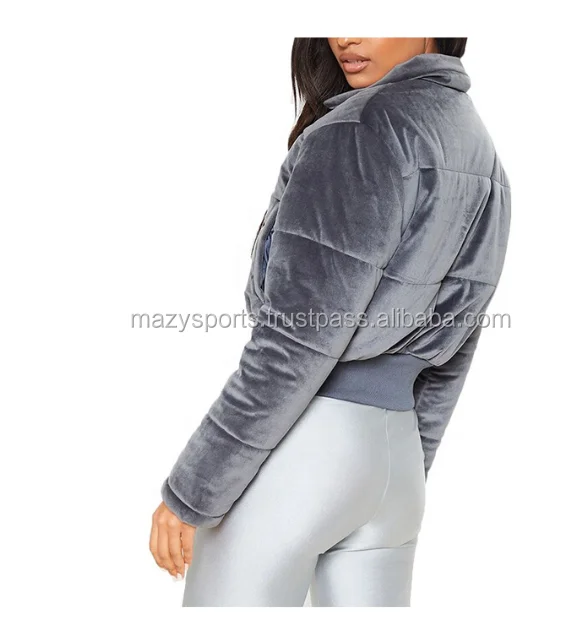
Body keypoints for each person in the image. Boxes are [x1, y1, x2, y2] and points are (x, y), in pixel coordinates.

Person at [149, 37, 511, 607]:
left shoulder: (361, 128)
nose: (344, 35)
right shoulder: (478, 147)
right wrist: (403, 469)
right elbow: (459, 339)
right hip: (395, 465)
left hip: (305, 451)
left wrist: (193, 488)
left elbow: (295, 340)